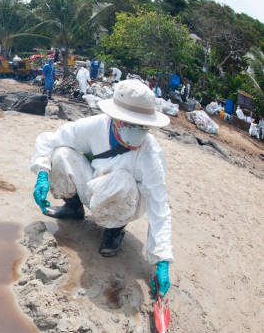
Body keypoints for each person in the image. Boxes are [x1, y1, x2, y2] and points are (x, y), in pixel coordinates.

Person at [30, 79, 173, 298]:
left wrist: (161, 260)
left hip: (124, 201)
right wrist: (42, 173)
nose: (137, 131)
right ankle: (73, 206)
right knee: (60, 154)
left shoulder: (150, 153)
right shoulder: (94, 127)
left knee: (122, 181)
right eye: (130, 124)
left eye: (142, 126)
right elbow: (50, 140)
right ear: (115, 119)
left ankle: (114, 230)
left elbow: (159, 205)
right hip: (93, 186)